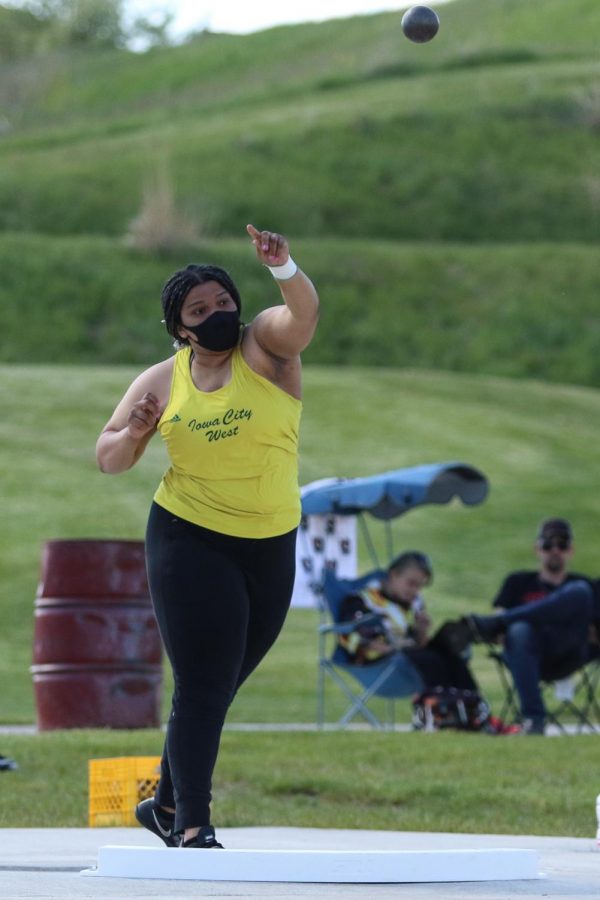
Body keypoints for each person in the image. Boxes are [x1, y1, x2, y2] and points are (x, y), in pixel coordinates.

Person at [96, 224, 319, 849]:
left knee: (217, 686)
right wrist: (137, 433)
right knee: (201, 685)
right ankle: (193, 824)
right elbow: (108, 456)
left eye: (223, 302)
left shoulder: (266, 349)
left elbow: (303, 315)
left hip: (271, 539)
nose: (218, 313)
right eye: (201, 310)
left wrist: (284, 265)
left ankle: (162, 803)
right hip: (189, 537)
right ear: (181, 329)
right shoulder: (163, 380)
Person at [442, 518, 600, 734]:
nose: (555, 550)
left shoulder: (584, 585)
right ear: (537, 549)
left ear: (570, 550)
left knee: (579, 591)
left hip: (569, 653)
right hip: (525, 655)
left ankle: (491, 623)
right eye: (548, 545)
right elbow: (501, 637)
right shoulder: (517, 582)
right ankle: (534, 719)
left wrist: (503, 622)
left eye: (562, 545)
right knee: (519, 631)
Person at [338, 551, 479, 693]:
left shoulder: (411, 603)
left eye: (419, 586)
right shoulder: (362, 600)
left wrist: (421, 630)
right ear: (394, 575)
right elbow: (349, 637)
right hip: (378, 666)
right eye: (411, 584)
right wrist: (392, 649)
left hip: (409, 658)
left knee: (452, 654)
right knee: (432, 660)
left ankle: (473, 705)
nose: (415, 591)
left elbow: (419, 643)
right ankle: (443, 706)